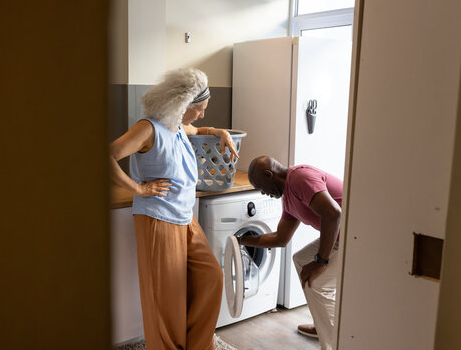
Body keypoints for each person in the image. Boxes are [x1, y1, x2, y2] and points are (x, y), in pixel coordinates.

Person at [109, 68, 238, 350]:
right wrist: (139, 189)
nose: (202, 114)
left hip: (184, 216)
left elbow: (199, 129)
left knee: (211, 277)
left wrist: (219, 132)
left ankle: (197, 344)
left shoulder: (177, 124)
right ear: (182, 105)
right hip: (157, 218)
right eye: (200, 109)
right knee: (165, 300)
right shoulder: (148, 128)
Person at [239, 155, 342, 350]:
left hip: (359, 235)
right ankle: (325, 326)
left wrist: (321, 261)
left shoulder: (300, 177)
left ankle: (333, 343)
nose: (263, 193)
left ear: (269, 175)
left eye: (261, 187)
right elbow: (280, 238)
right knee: (301, 260)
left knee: (318, 282)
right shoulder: (288, 200)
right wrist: (242, 239)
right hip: (339, 236)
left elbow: (333, 213)